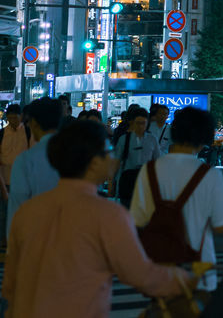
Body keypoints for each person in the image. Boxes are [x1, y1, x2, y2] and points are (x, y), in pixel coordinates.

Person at [3, 120, 192, 317]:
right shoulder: (109, 214)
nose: (114, 159)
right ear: (94, 163)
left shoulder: (27, 212)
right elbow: (140, 274)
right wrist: (185, 279)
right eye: (109, 151)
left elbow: (10, 282)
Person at [130, 107, 223, 290]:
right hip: (198, 272)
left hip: (160, 270)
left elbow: (138, 219)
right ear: (204, 137)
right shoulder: (210, 175)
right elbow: (220, 226)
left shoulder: (149, 170)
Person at [6, 97, 62, 239]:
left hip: (37, 238)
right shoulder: (78, 155)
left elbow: (17, 208)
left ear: (34, 123)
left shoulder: (26, 160)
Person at [113, 106, 159, 204]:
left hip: (146, 182)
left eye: (143, 123)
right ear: (132, 123)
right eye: (138, 123)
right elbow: (116, 162)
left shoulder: (152, 139)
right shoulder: (124, 139)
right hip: (128, 182)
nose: (141, 126)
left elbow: (157, 161)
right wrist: (112, 183)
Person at [0, 102, 32, 243]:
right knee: (3, 213)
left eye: (16, 118)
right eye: (10, 118)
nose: (13, 121)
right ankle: (4, 239)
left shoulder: (28, 132)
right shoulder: (2, 134)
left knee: (21, 212)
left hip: (22, 181)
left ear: (21, 117)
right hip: (4, 179)